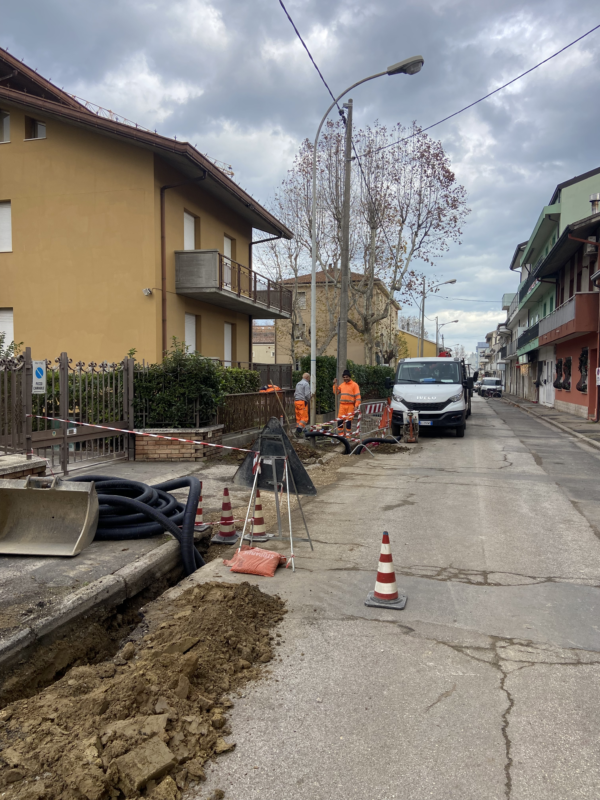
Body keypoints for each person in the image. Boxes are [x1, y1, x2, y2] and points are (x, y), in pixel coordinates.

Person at [333, 369, 361, 434]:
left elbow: (358, 397)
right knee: (340, 420)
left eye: (347, 377)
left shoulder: (354, 385)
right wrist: (335, 385)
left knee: (348, 421)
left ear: (349, 377)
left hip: (350, 405)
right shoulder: (342, 385)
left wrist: (356, 405)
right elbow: (336, 392)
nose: (345, 378)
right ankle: (341, 435)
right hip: (342, 405)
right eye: (344, 377)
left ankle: (348, 435)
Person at [294, 372, 311, 437]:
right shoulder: (306, 384)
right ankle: (298, 431)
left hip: (296, 402)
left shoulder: (298, 383)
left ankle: (302, 431)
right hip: (302, 402)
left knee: (299, 418)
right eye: (309, 378)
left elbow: (295, 393)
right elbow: (307, 394)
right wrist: (309, 399)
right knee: (304, 418)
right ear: (307, 377)